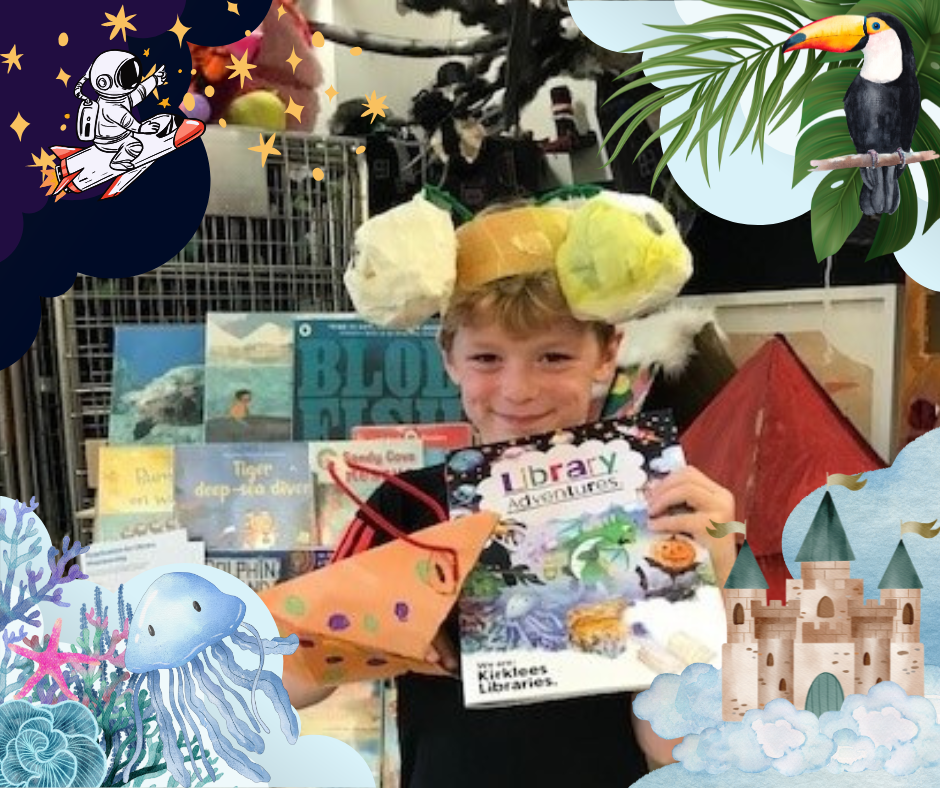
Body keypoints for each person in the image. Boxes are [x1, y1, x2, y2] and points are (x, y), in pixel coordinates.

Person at [283, 192, 738, 788]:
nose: (518, 390)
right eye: (487, 358)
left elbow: (673, 744)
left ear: (607, 353)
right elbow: (291, 682)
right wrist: (377, 626)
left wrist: (714, 582)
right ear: (449, 358)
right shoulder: (406, 506)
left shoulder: (660, 502)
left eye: (553, 356)